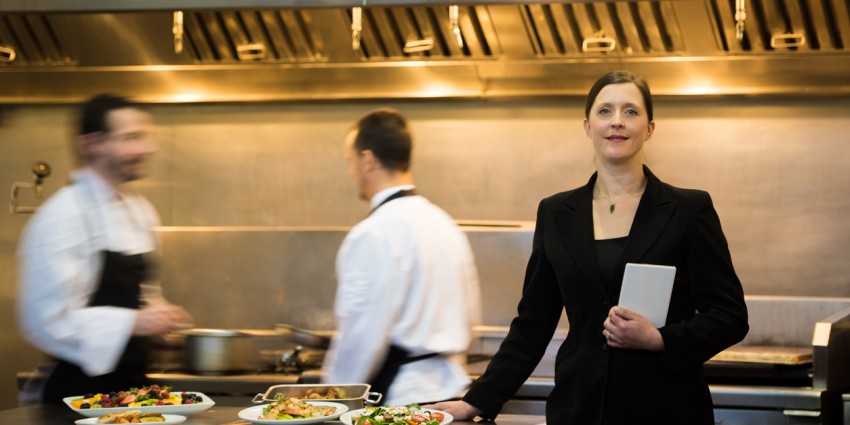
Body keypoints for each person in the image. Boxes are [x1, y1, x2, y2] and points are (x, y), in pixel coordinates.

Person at [427, 71, 749, 424]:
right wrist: (477, 401)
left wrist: (660, 339)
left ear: (650, 128)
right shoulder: (556, 213)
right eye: (605, 111)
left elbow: (729, 316)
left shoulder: (688, 209)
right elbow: (533, 324)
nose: (617, 122)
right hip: (579, 408)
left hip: (666, 408)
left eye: (631, 112)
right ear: (587, 125)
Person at [17, 94, 192, 403]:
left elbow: (142, 294)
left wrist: (158, 322)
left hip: (132, 391)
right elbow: (46, 321)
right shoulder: (62, 216)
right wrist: (134, 322)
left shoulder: (140, 210)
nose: (146, 148)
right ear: (92, 144)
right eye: (131, 138)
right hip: (77, 397)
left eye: (145, 137)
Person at [321, 108, 482, 405]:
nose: (350, 171)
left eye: (350, 161)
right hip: (451, 396)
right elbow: (471, 316)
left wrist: (333, 400)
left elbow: (360, 336)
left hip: (402, 402)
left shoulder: (373, 233)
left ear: (367, 160)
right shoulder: (444, 223)